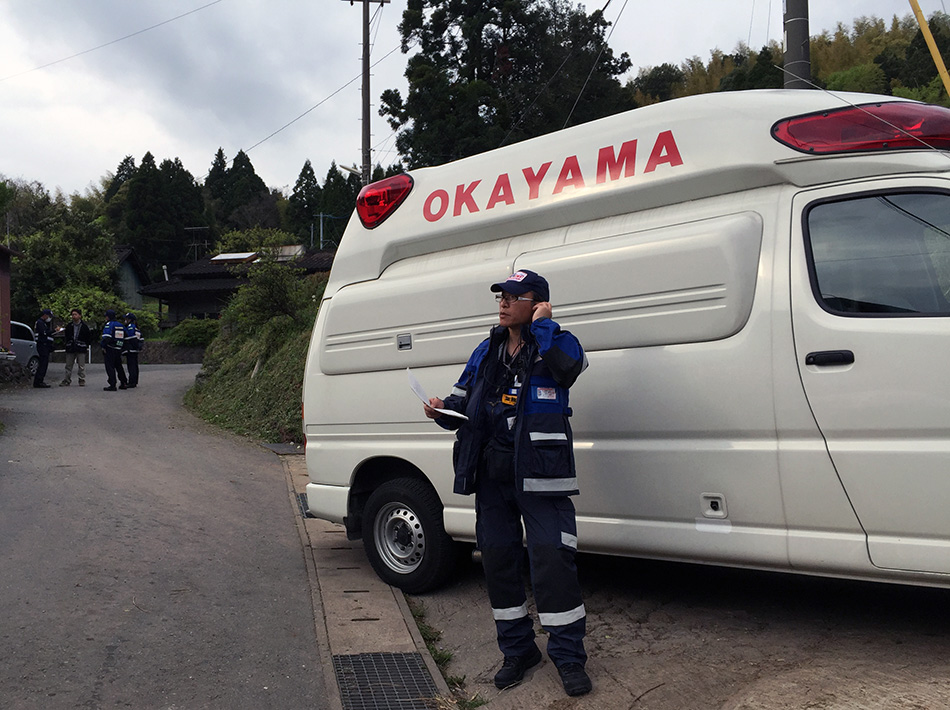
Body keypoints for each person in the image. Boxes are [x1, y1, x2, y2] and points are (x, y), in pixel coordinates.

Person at [423, 269, 592, 697]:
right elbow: (464, 400)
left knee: (553, 560)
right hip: (492, 475)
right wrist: (444, 409)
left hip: (540, 474)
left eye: (514, 297)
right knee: (498, 560)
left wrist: (543, 326)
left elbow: (569, 371)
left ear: (537, 304)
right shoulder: (487, 349)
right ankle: (518, 650)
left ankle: (569, 658)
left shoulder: (557, 341)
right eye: (501, 296)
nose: (503, 303)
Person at [60, 308, 91, 387]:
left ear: (80, 316)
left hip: (81, 347)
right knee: (68, 365)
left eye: (75, 314)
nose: (74, 316)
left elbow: (88, 337)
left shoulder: (84, 326)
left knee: (81, 365)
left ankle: (81, 379)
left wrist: (85, 345)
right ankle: (67, 379)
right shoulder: (69, 326)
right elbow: (66, 336)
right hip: (70, 347)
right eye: (72, 315)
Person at [100, 309, 128, 391]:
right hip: (118, 348)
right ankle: (124, 382)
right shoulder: (120, 325)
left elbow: (107, 337)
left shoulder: (109, 324)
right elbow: (126, 335)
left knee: (110, 367)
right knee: (119, 366)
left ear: (108, 317)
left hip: (110, 348)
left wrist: (103, 346)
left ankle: (112, 384)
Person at [32, 308, 56, 388]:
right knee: (43, 364)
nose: (49, 318)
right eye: (49, 316)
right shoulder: (40, 323)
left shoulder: (43, 323)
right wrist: (54, 331)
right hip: (42, 345)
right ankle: (38, 381)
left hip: (45, 345)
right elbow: (44, 333)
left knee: (44, 363)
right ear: (45, 315)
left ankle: (39, 381)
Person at [122, 312, 142, 388]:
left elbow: (130, 338)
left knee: (131, 366)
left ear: (130, 319)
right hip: (135, 350)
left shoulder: (130, 327)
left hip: (131, 350)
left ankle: (131, 382)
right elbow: (140, 339)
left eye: (126, 319)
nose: (125, 320)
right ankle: (134, 381)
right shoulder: (136, 328)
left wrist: (127, 347)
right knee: (135, 366)